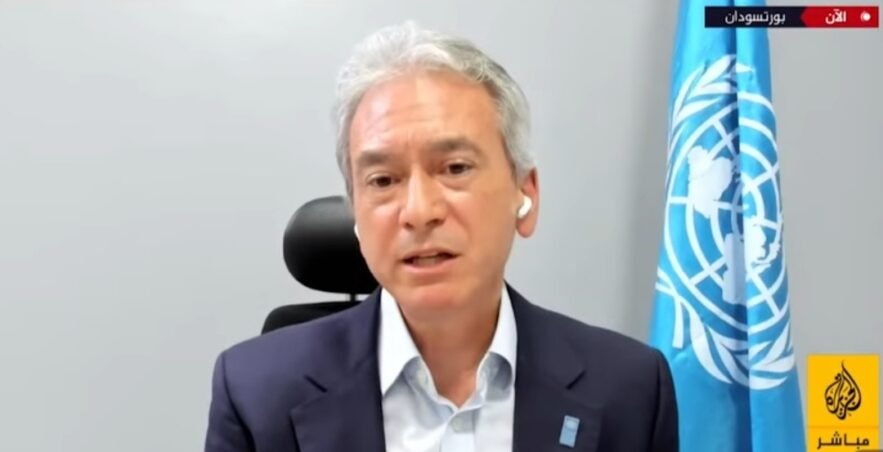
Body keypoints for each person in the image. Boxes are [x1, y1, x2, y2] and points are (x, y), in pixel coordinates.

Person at [205, 21, 678, 452]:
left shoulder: (630, 390)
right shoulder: (255, 395)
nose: (419, 211)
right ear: (357, 218)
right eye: (383, 180)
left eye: (455, 168)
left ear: (525, 194)